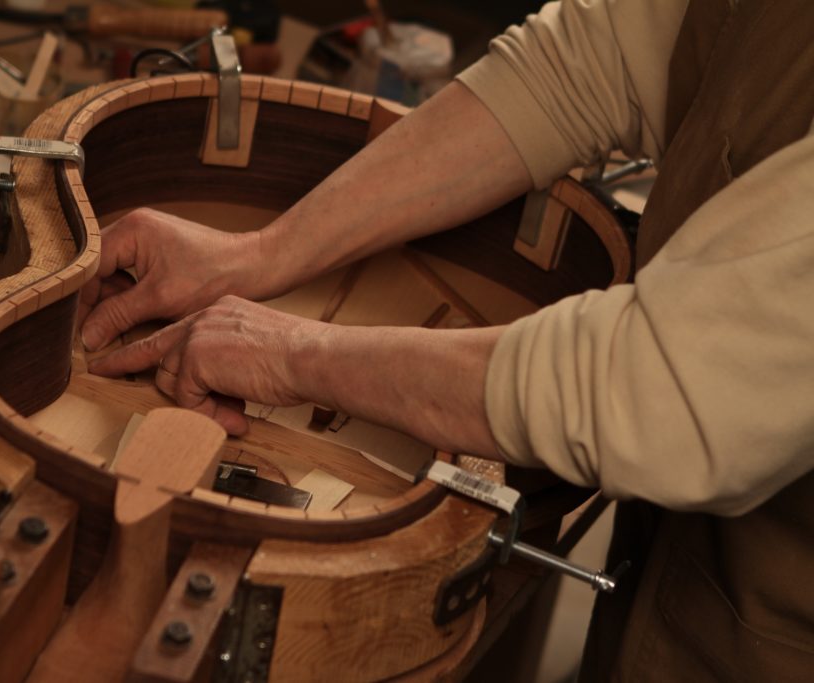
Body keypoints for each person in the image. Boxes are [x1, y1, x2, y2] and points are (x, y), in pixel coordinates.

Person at [80, 0, 814, 679]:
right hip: (679, 558)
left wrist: (291, 354)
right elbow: (594, 62)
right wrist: (257, 255)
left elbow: (658, 390)